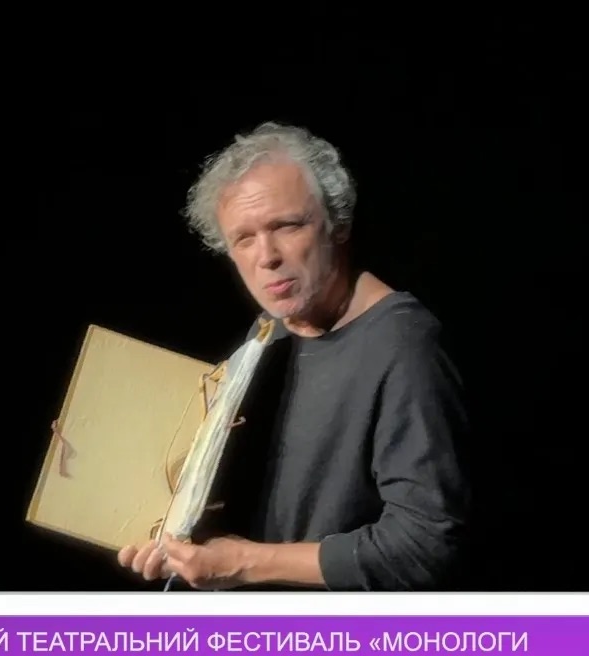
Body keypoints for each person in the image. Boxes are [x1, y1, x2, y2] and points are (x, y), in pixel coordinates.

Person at [116, 122, 472, 591]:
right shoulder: (267, 335)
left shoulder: (405, 346)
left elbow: (423, 546)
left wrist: (243, 563)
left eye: (286, 226)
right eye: (243, 238)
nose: (266, 256)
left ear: (338, 223)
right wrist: (178, 539)